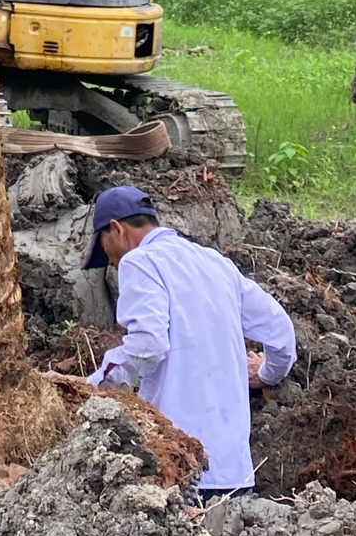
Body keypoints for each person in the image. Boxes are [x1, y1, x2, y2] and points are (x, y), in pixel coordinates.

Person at [83, 183, 294, 498]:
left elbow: (148, 345)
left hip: (180, 471)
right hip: (235, 474)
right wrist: (266, 374)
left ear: (117, 229)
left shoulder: (139, 261)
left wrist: (97, 388)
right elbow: (281, 332)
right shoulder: (215, 263)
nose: (111, 263)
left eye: (104, 250)